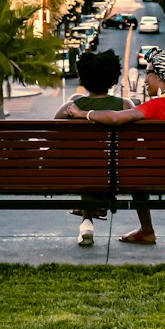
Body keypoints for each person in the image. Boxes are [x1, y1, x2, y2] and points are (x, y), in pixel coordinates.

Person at [63, 46, 165, 245]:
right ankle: (139, 226)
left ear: (160, 75)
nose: (145, 79)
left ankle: (145, 229)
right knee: (136, 166)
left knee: (134, 171)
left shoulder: (156, 105)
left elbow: (115, 119)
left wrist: (82, 114)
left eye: (148, 73)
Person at [56, 49, 133, 246]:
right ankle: (95, 208)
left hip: (79, 172)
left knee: (87, 164)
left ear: (82, 77)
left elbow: (54, 137)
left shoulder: (71, 106)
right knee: (103, 164)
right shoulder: (125, 105)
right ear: (113, 78)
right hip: (117, 174)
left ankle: (87, 219)